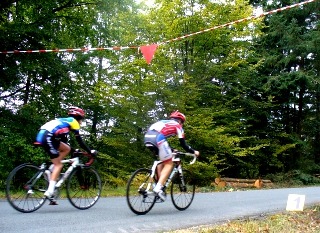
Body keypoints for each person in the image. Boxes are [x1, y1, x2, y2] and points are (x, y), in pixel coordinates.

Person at [35, 106, 95, 202]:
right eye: (81, 120)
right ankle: (50, 191)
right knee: (59, 165)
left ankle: (51, 169)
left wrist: (73, 150)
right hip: (48, 137)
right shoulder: (74, 122)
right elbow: (80, 141)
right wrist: (89, 151)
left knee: (66, 149)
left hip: (42, 134)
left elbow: (63, 141)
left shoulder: (64, 121)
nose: (81, 122)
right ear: (78, 117)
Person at [144, 110, 200, 201]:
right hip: (158, 138)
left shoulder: (163, 122)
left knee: (162, 161)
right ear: (180, 121)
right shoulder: (178, 126)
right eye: (182, 123)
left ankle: (158, 183)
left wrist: (171, 149)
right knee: (169, 163)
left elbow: (160, 137)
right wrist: (194, 151)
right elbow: (184, 145)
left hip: (147, 137)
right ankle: (158, 188)